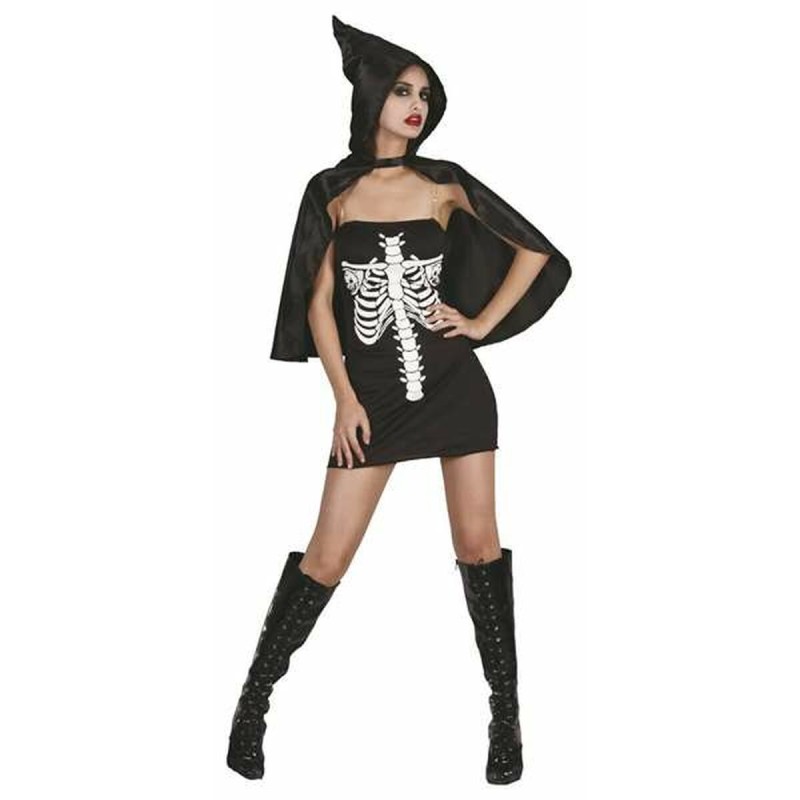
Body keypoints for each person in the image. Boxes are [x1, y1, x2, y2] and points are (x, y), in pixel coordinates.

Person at [226, 14, 571, 785]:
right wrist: (343, 398)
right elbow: (319, 304)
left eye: (425, 95)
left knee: (479, 545)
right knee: (327, 555)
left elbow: (534, 250)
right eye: (404, 91)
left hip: (455, 386)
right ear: (373, 97)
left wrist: (479, 323)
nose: (417, 106)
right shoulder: (332, 191)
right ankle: (252, 707)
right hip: (373, 395)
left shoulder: (444, 183)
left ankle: (507, 719)